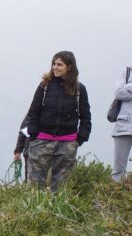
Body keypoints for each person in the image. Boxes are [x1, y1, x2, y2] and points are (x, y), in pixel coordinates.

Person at [24, 51, 91, 192]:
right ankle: (34, 214)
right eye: (54, 64)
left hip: (67, 145)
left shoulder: (80, 89)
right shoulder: (44, 86)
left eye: (59, 64)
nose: (55, 67)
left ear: (69, 67)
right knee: (34, 189)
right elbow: (33, 112)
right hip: (41, 142)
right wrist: (34, 135)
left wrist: (79, 139)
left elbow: (86, 118)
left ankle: (54, 214)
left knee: (60, 190)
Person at [110, 45, 132, 183]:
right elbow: (119, 93)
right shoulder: (125, 72)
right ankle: (116, 202)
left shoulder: (128, 81)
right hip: (124, 125)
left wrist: (130, 86)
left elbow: (124, 89)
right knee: (118, 169)